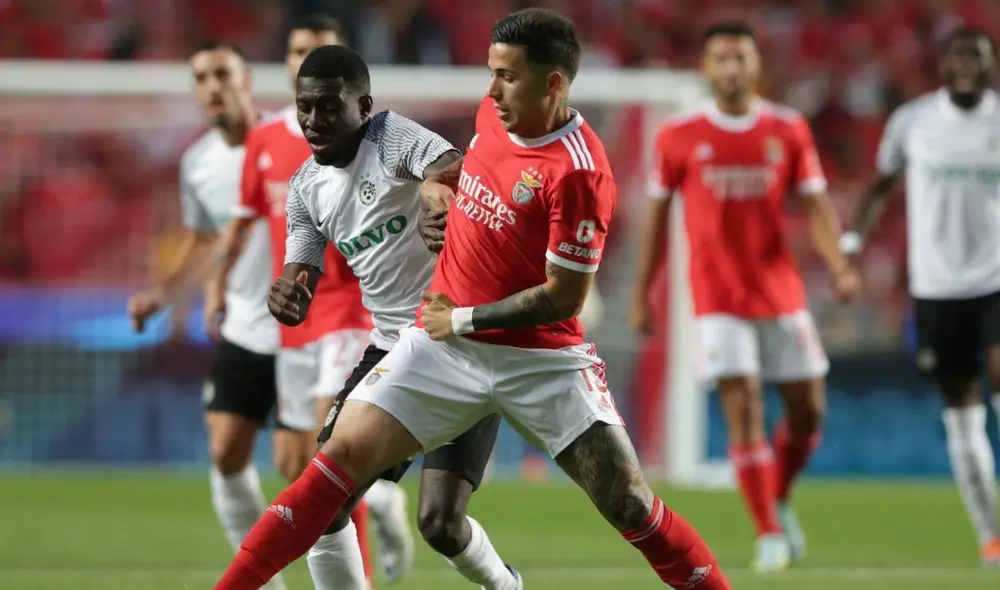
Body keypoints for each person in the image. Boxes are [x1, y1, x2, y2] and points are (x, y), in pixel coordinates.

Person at [214, 9, 731, 590]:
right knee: (332, 468)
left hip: (536, 357)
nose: (490, 89)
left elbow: (563, 299)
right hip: (441, 348)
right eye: (491, 72)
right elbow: (454, 173)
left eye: (506, 76)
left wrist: (460, 315)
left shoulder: (580, 173)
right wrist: (438, 190)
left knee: (631, 503)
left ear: (553, 83)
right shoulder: (491, 114)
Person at [631, 21, 860, 572]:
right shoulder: (678, 136)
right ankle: (769, 531)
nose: (732, 69)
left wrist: (839, 267)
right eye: (722, 59)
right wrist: (643, 295)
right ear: (706, 68)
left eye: (741, 58)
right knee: (744, 406)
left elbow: (816, 206)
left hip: (780, 293)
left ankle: (777, 496)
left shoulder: (788, 129)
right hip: (716, 299)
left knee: (808, 411)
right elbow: (657, 223)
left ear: (756, 66)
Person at [206, 16, 414, 588]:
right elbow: (246, 224)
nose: (305, 60)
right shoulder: (269, 143)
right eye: (297, 51)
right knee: (298, 467)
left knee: (334, 462)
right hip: (295, 326)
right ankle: (386, 507)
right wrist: (223, 286)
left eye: (317, 52)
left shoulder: (380, 138)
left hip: (352, 315)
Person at [126, 42, 289, 590]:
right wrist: (163, 294)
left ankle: (378, 509)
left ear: (247, 78)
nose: (212, 86)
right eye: (200, 78)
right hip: (244, 324)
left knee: (311, 466)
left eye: (222, 73)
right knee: (224, 451)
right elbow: (203, 239)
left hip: (307, 326)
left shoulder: (294, 141)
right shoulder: (197, 163)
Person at [847, 26, 1000, 567]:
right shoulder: (914, 122)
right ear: (943, 65)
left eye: (976, 57)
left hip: (995, 283)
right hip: (936, 289)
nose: (965, 65)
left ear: (989, 64)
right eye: (957, 55)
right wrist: (853, 240)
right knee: (962, 415)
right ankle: (990, 536)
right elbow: (880, 185)